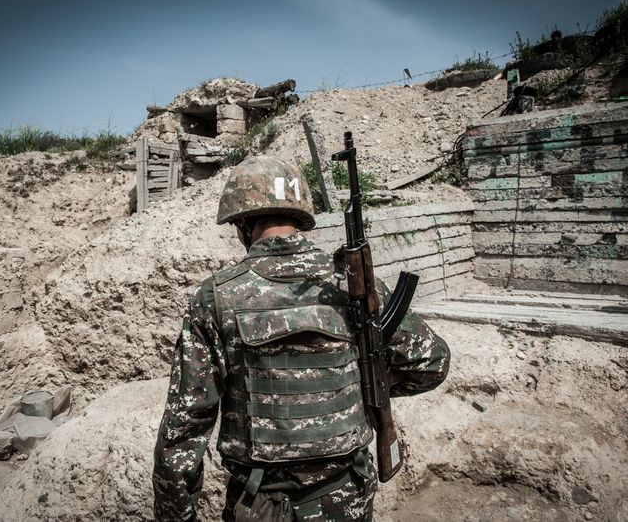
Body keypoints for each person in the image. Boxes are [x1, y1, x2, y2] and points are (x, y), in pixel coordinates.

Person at [153, 156, 450, 521]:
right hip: (347, 499)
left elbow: (182, 433)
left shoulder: (215, 298)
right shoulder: (350, 286)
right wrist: (362, 386)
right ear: (300, 219)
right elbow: (432, 363)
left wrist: (177, 516)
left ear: (242, 223)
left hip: (259, 504)